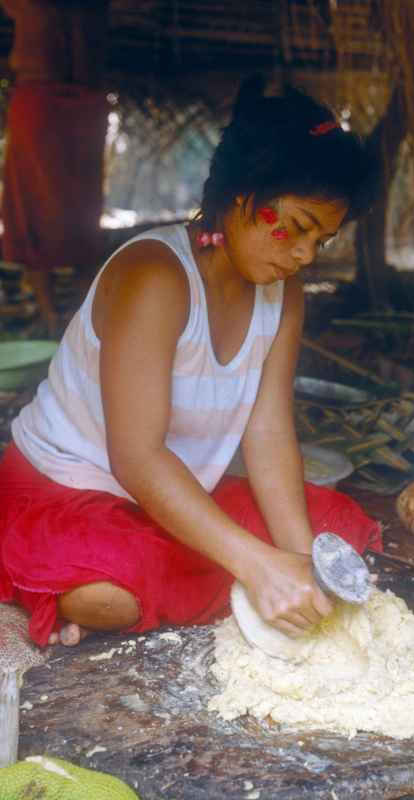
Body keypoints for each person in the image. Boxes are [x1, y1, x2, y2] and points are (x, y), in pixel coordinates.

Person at [0, 76, 382, 648]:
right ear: (240, 193)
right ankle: (78, 584)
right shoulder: (155, 276)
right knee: (112, 589)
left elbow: (269, 432)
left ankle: (180, 584)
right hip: (66, 489)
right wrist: (259, 565)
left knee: (336, 533)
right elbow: (137, 458)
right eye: (299, 227)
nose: (305, 254)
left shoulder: (284, 293)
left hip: (171, 499)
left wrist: (300, 562)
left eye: (321, 240)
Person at [0, 0, 109, 336]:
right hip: (79, 102)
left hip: (45, 98)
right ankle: (75, 318)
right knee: (77, 207)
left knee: (35, 206)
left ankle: (57, 318)